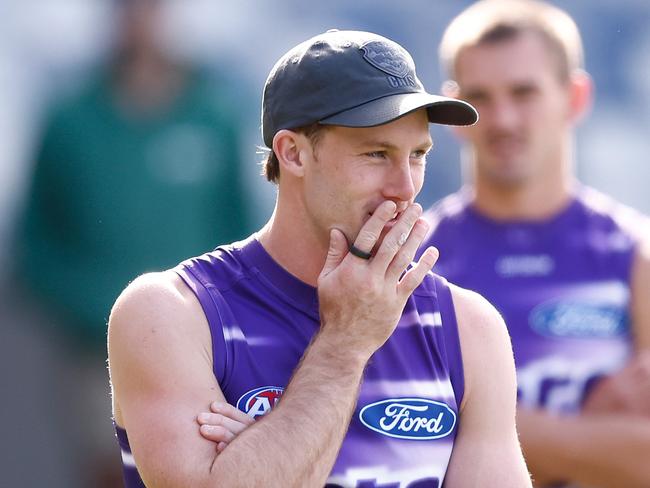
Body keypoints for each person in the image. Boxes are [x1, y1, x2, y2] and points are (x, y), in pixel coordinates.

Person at [108, 29, 532, 487]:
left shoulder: (466, 327)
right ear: (293, 153)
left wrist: (265, 456)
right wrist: (345, 342)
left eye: (417, 155)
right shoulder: (170, 312)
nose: (405, 188)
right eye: (376, 154)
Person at [12, 0, 254, 486]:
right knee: (115, 470)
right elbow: (33, 248)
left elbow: (240, 238)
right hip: (94, 350)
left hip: (199, 347)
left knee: (201, 467)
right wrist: (95, 306)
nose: (140, 19)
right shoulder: (71, 121)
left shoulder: (212, 117)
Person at [418, 1, 650, 487]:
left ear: (576, 96)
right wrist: (587, 428)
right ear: (454, 110)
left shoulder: (635, 253)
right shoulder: (418, 261)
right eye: (480, 97)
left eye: (524, 93)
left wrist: (467, 416)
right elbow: (395, 436)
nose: (502, 119)